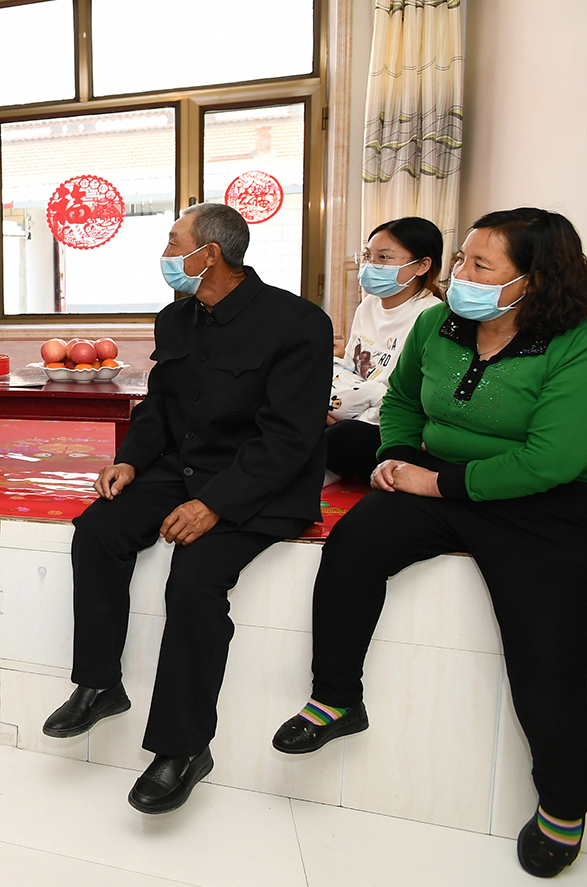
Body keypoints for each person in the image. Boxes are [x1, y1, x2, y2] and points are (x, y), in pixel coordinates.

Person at [272, 208, 587, 880]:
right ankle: (337, 698)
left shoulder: (574, 342)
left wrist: (434, 484)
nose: (459, 274)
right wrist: (395, 456)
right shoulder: (438, 325)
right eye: (462, 259)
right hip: (436, 479)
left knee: (545, 649)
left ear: (535, 279)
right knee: (352, 546)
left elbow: (552, 460)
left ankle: (564, 801)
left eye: (481, 265)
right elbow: (403, 402)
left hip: (538, 503)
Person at [43, 202, 332, 813]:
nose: (167, 255)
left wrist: (214, 506)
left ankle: (183, 747)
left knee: (195, 577)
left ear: (210, 254)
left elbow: (289, 439)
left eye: (175, 243)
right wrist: (130, 459)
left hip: (261, 484)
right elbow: (159, 406)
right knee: (98, 529)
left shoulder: (298, 323)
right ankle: (99, 683)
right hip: (184, 468)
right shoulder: (176, 317)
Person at [327, 217, 444, 483]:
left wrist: (345, 418)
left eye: (383, 257)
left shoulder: (431, 317)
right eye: (367, 255)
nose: (370, 265)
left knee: (342, 438)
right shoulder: (368, 305)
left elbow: (415, 401)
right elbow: (353, 371)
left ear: (422, 265)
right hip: (350, 410)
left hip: (389, 426)